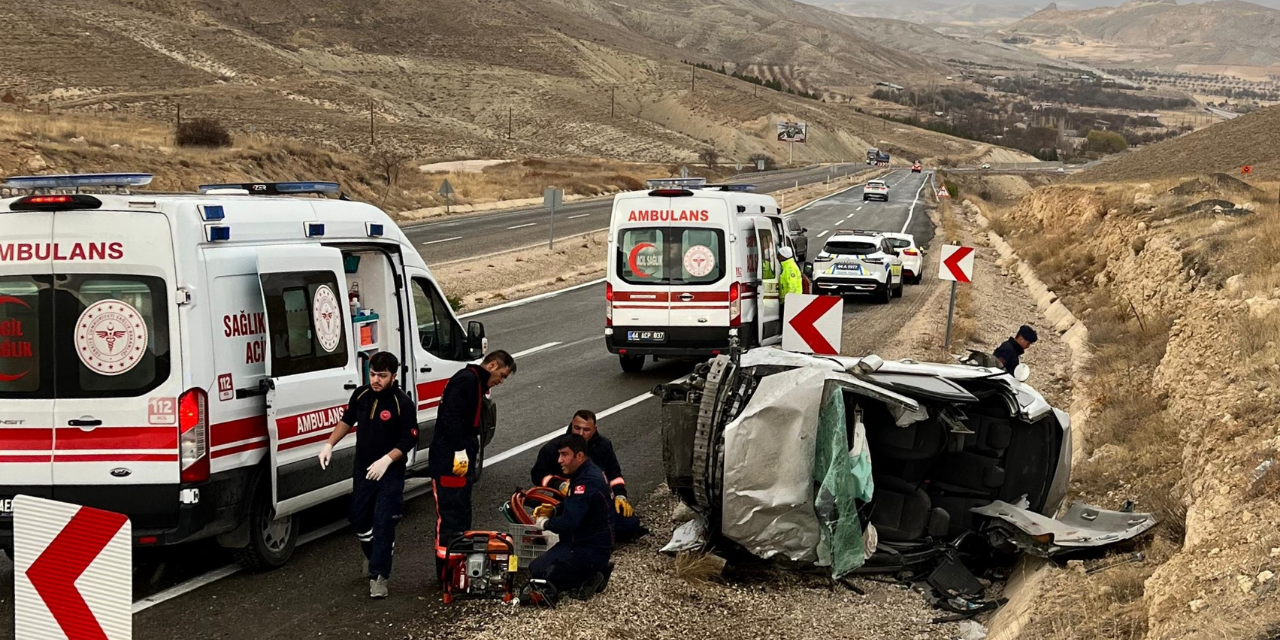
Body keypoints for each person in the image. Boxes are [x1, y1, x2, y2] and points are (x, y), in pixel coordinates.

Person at [317, 351, 417, 599]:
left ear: (393, 376)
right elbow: (347, 420)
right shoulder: (360, 395)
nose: (376, 380)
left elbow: (409, 439)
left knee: (383, 521)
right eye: (373, 374)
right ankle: (373, 555)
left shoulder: (402, 403)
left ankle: (379, 576)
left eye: (382, 376)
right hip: (363, 469)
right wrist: (329, 444)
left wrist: (386, 460)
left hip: (389, 472)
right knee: (358, 519)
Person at [427, 350, 516, 582]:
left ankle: (456, 568)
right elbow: (451, 418)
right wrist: (458, 451)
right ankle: (446, 573)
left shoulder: (472, 381)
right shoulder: (467, 381)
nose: (501, 381)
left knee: (460, 516)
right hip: (450, 462)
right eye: (502, 375)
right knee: (451, 517)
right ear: (492, 364)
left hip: (458, 461)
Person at [522, 434, 614, 605]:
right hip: (579, 542)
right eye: (559, 455)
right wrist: (554, 510)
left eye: (564, 455)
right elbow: (574, 505)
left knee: (545, 575)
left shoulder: (586, 481)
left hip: (591, 546)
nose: (559, 460)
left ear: (579, 456)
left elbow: (570, 522)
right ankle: (593, 570)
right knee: (535, 568)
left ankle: (592, 576)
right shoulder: (584, 472)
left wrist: (545, 523)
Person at [530, 410, 648, 543]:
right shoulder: (554, 448)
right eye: (577, 428)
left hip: (597, 500)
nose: (580, 433)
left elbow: (614, 474)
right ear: (571, 425)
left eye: (586, 429)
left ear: (594, 429)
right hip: (568, 501)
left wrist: (620, 495)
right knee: (571, 523)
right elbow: (537, 474)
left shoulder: (603, 446)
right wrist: (558, 484)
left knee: (629, 524)